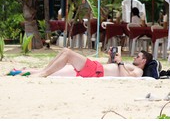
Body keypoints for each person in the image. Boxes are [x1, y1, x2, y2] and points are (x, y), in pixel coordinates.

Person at [11, 48, 152, 78]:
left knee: (67, 53)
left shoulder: (139, 71)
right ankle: (40, 71)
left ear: (143, 61)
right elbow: (113, 69)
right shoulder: (128, 65)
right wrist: (112, 59)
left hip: (96, 71)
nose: (135, 57)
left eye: (138, 57)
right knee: (63, 52)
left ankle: (43, 73)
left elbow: (126, 78)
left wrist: (120, 63)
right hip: (97, 67)